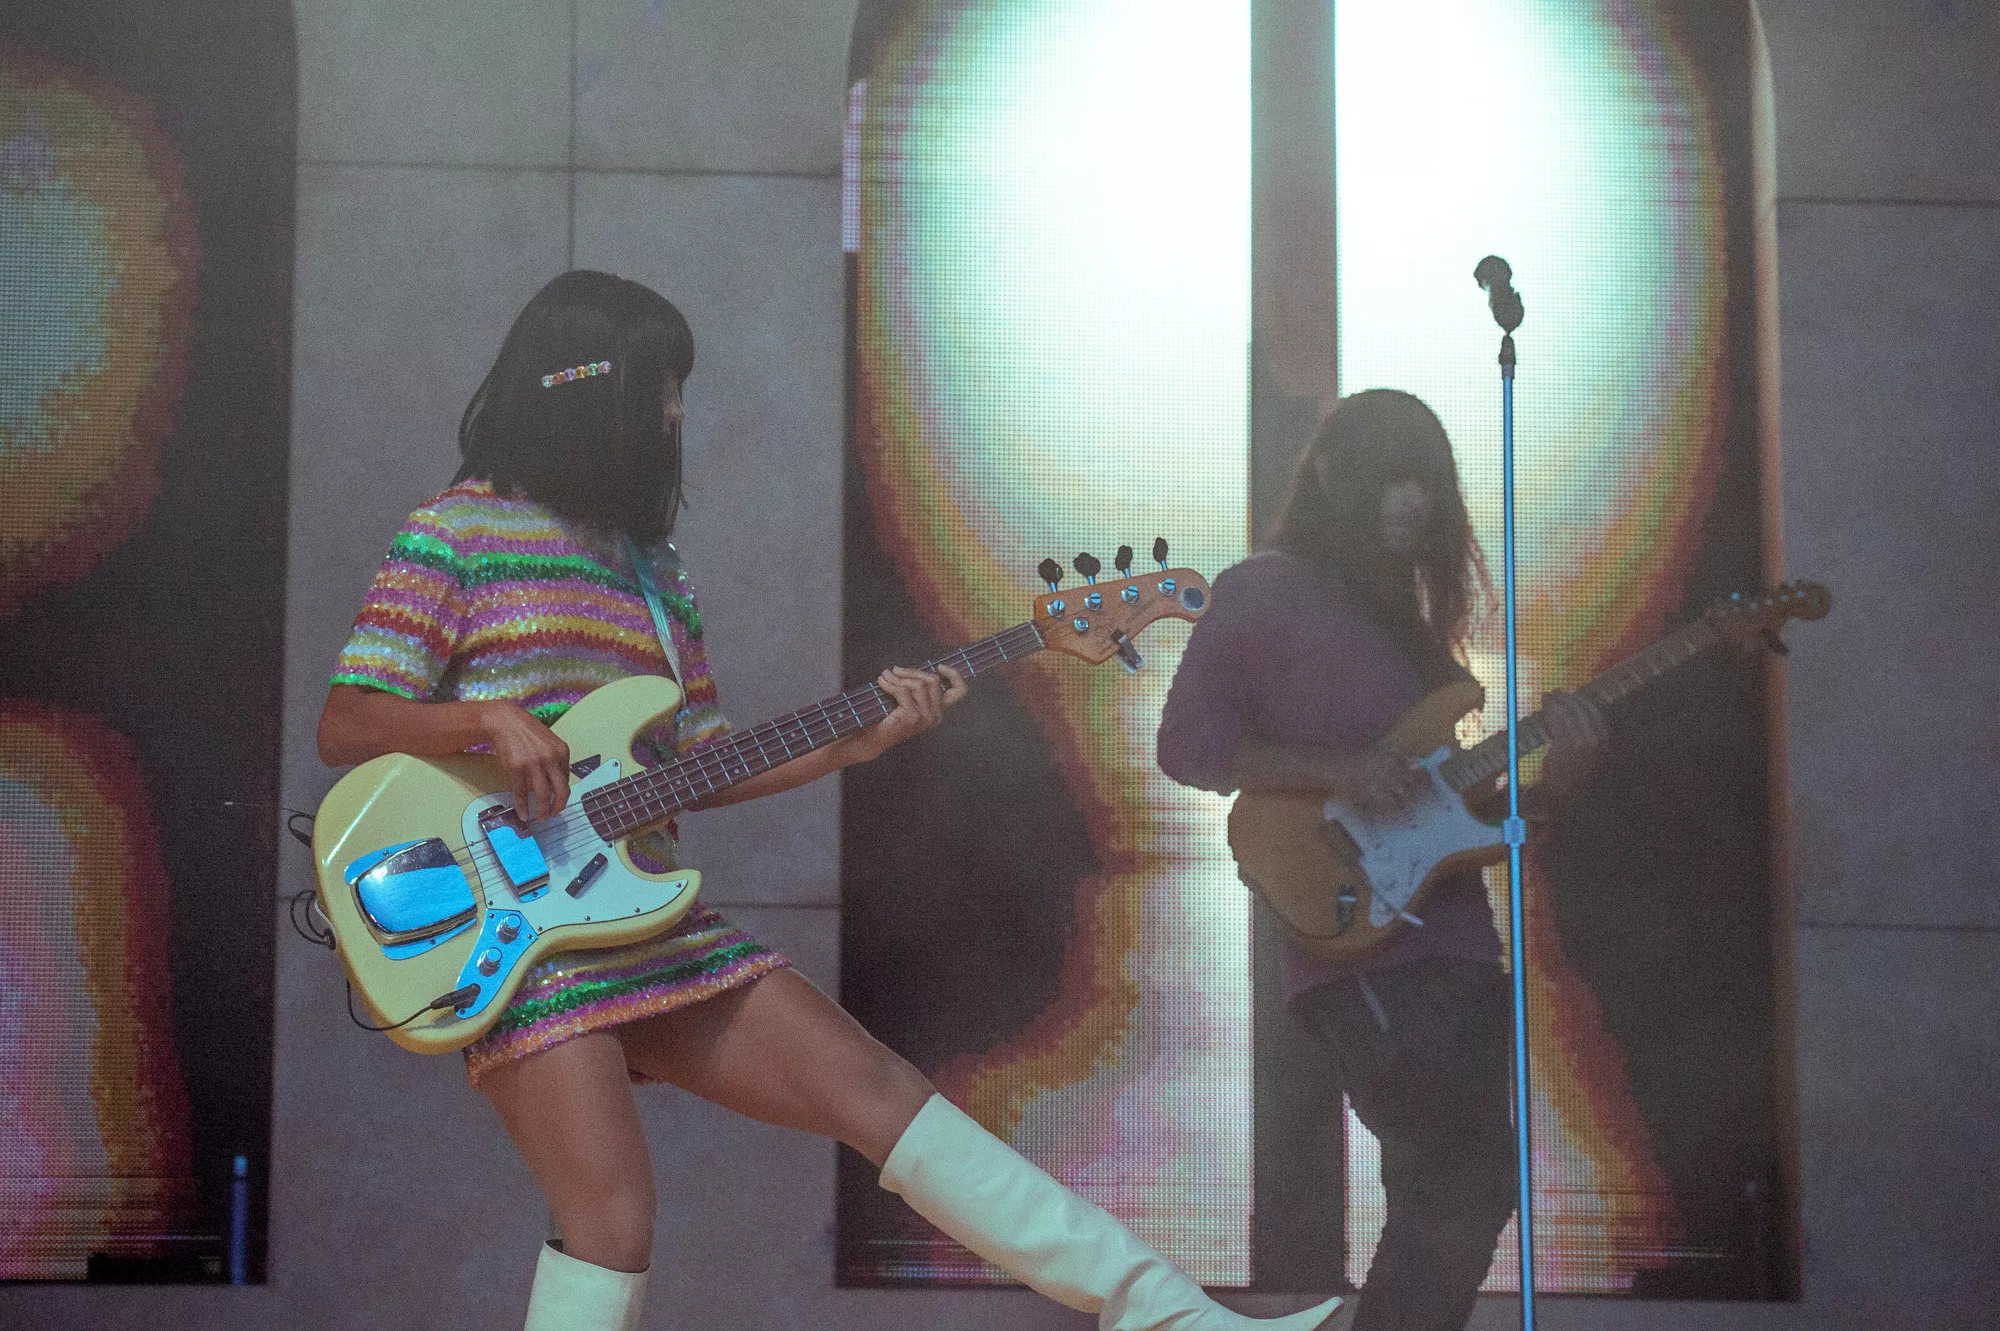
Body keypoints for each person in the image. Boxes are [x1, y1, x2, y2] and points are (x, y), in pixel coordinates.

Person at [318, 270, 1343, 1331]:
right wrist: (482, 720)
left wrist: (863, 737)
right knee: (611, 1220)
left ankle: (1173, 1317)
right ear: (593, 384)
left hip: (641, 917)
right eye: (660, 386)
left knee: (879, 1090)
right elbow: (346, 720)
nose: (674, 414)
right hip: (514, 937)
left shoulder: (652, 572)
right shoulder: (454, 531)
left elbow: (700, 759)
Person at [1157, 389, 1607, 1331]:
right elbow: (1186, 743)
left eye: (1428, 482)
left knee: (1469, 1188)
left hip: (1459, 953)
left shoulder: (1413, 628)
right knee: (1457, 1181)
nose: (1413, 501)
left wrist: (1559, 782)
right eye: (1393, 477)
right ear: (1332, 475)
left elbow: (1458, 818)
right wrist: (1341, 770)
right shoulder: (1265, 589)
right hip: (1360, 944)